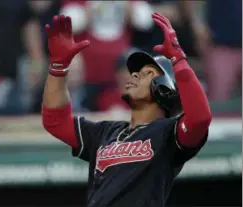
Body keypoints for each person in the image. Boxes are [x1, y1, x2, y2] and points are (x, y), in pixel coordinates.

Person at [42, 13, 212, 207]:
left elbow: (200, 119)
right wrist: (58, 67)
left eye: (147, 73)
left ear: (165, 88)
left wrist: (178, 60)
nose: (135, 75)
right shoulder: (104, 132)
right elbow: (55, 121)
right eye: (136, 72)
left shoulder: (168, 133)